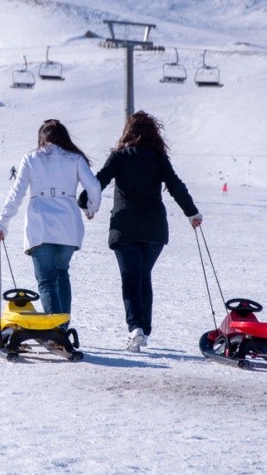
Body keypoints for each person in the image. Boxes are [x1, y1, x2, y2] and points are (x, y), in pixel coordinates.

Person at [78, 111, 202, 352]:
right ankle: (143, 329)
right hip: (154, 228)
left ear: (128, 131)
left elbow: (99, 181)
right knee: (143, 275)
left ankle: (136, 329)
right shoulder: (158, 158)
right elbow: (176, 185)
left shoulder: (119, 156)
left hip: (125, 227)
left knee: (131, 278)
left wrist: (86, 202)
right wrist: (192, 213)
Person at [0, 119, 101, 318]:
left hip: (40, 227)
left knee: (47, 281)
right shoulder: (75, 158)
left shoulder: (31, 158)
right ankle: (63, 328)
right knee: (61, 274)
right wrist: (91, 208)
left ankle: (56, 331)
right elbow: (93, 187)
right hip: (69, 228)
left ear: (41, 138)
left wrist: (2, 224)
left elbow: (16, 193)